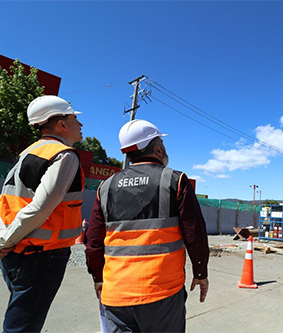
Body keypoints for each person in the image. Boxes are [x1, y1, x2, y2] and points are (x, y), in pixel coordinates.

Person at [85, 119, 209, 333]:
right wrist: (200, 272)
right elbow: (194, 233)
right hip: (162, 293)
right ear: (158, 149)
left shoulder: (105, 187)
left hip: (116, 294)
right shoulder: (175, 180)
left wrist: (98, 278)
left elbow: (93, 241)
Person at [0, 95, 84, 332]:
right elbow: (41, 208)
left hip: (17, 253)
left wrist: (0, 240)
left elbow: (2, 202)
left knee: (19, 318)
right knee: (23, 327)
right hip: (42, 256)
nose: (80, 124)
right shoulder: (64, 154)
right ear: (62, 124)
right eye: (75, 118)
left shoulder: (28, 152)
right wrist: (3, 241)